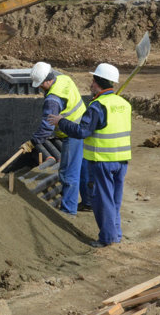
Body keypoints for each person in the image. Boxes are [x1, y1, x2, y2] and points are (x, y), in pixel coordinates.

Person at [48, 63, 131, 247]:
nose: (91, 84)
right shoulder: (123, 104)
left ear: (98, 82)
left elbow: (82, 132)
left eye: (93, 81)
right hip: (122, 160)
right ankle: (115, 235)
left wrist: (61, 122)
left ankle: (107, 239)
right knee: (114, 200)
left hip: (102, 161)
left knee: (103, 201)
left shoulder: (97, 106)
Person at [29, 62, 86, 216]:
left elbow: (47, 127)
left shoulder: (53, 100)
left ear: (47, 80)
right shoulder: (63, 79)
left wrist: (33, 142)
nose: (39, 88)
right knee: (83, 168)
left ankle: (68, 211)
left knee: (69, 173)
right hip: (83, 126)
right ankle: (87, 202)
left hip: (72, 133)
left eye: (40, 85)